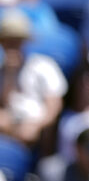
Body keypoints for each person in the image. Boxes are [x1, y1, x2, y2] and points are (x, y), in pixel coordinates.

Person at [0, 9, 66, 146]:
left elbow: (54, 106)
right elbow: (5, 106)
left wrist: (37, 125)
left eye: (16, 41)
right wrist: (10, 75)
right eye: (8, 42)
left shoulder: (43, 66)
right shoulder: (2, 71)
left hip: (39, 128)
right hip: (12, 128)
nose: (12, 47)